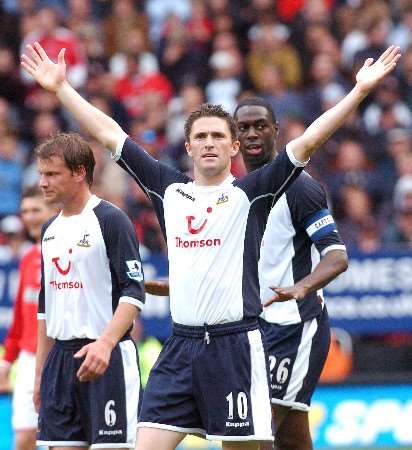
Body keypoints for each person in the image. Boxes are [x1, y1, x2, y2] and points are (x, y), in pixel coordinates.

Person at [21, 42, 400, 450]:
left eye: (218, 136)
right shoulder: (169, 191)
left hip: (233, 346)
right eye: (200, 136)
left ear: (233, 147)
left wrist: (359, 91)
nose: (209, 143)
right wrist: (61, 89)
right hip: (180, 348)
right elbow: (110, 134)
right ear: (187, 147)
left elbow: (308, 142)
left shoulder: (250, 193)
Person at [233, 97, 348, 450]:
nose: (253, 134)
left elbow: (336, 256)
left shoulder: (299, 187)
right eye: (244, 128)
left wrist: (302, 287)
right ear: (235, 139)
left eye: (261, 126)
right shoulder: (232, 191)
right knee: (292, 436)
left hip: (294, 327)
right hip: (253, 325)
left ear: (276, 132)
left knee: (257, 429)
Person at [33, 132, 145, 449]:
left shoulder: (111, 220)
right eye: (41, 173)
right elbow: (45, 306)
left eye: (52, 174)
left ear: (80, 172)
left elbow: (134, 292)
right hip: (61, 362)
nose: (43, 182)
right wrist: (41, 372)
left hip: (105, 357)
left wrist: (105, 344)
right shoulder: (48, 230)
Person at [0, 186, 57, 450]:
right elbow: (20, 320)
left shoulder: (67, 253)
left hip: (60, 355)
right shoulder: (28, 258)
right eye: (25, 211)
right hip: (28, 358)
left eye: (36, 210)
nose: (30, 217)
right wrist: (6, 361)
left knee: (65, 438)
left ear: (52, 211)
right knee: (23, 438)